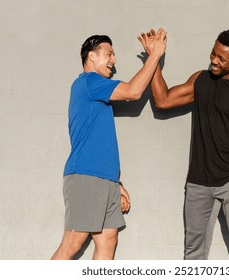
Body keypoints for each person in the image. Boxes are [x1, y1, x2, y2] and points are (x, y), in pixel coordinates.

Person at [138, 29, 229, 260]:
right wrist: (154, 58)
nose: (214, 60)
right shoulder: (201, 80)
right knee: (193, 254)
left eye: (222, 58)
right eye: (213, 53)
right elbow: (163, 100)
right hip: (198, 182)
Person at [51, 28, 167, 260]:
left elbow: (100, 141)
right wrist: (155, 55)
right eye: (109, 54)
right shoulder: (88, 82)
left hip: (105, 180)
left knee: (107, 245)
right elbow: (133, 92)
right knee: (72, 244)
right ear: (91, 56)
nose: (113, 61)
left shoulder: (98, 90)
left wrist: (115, 183)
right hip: (85, 176)